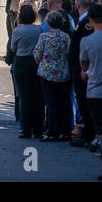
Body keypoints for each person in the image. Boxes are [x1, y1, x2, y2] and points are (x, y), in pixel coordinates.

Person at [34, 10, 72, 142]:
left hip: (47, 72)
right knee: (63, 102)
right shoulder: (66, 37)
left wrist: (41, 61)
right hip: (63, 72)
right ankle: (65, 131)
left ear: (48, 22)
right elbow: (68, 52)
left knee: (51, 102)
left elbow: (37, 55)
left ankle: (52, 131)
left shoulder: (44, 37)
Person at [80, 4, 102, 181]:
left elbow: (84, 66)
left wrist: (86, 74)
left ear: (90, 20)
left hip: (97, 90)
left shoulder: (87, 41)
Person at [11, 5, 44, 138]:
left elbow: (13, 48)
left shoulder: (17, 30)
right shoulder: (38, 29)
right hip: (35, 62)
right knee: (37, 97)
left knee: (24, 97)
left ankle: (25, 129)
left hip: (21, 62)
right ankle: (38, 129)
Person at [68, 0, 94, 147]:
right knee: (83, 103)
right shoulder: (84, 21)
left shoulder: (86, 22)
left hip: (82, 69)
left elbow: (80, 47)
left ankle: (89, 135)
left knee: (84, 103)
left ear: (78, 6)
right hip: (80, 67)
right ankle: (88, 134)